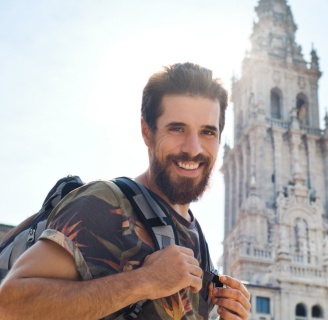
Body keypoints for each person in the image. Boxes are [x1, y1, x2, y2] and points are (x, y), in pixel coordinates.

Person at [0, 62, 251, 319]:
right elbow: (9, 305)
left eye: (207, 132)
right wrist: (144, 281)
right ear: (147, 131)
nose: (193, 148)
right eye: (177, 128)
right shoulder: (104, 203)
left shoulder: (199, 239)